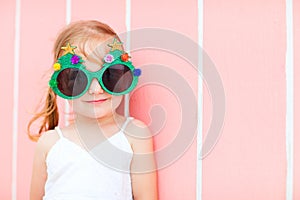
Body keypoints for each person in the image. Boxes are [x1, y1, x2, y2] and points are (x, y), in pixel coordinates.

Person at [28, 20, 158, 200]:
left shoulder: (134, 134)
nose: (96, 90)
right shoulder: (49, 143)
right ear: (63, 84)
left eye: (110, 75)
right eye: (78, 78)